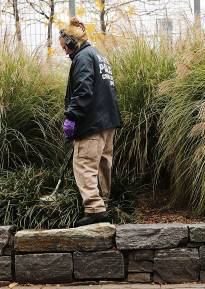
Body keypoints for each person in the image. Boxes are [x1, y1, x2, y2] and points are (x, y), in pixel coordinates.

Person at [59, 17, 123, 227]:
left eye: (65, 47)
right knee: (104, 162)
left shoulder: (83, 57)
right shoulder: (97, 55)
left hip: (92, 122)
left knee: (85, 163)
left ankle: (95, 209)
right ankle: (105, 203)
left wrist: (71, 116)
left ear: (71, 42)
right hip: (108, 120)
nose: (65, 52)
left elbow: (84, 90)